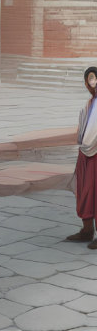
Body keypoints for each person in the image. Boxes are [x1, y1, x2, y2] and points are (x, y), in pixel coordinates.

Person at [66, 66, 97, 245]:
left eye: (94, 78)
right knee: (84, 191)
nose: (92, 83)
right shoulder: (90, 103)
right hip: (85, 153)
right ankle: (87, 230)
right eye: (89, 80)